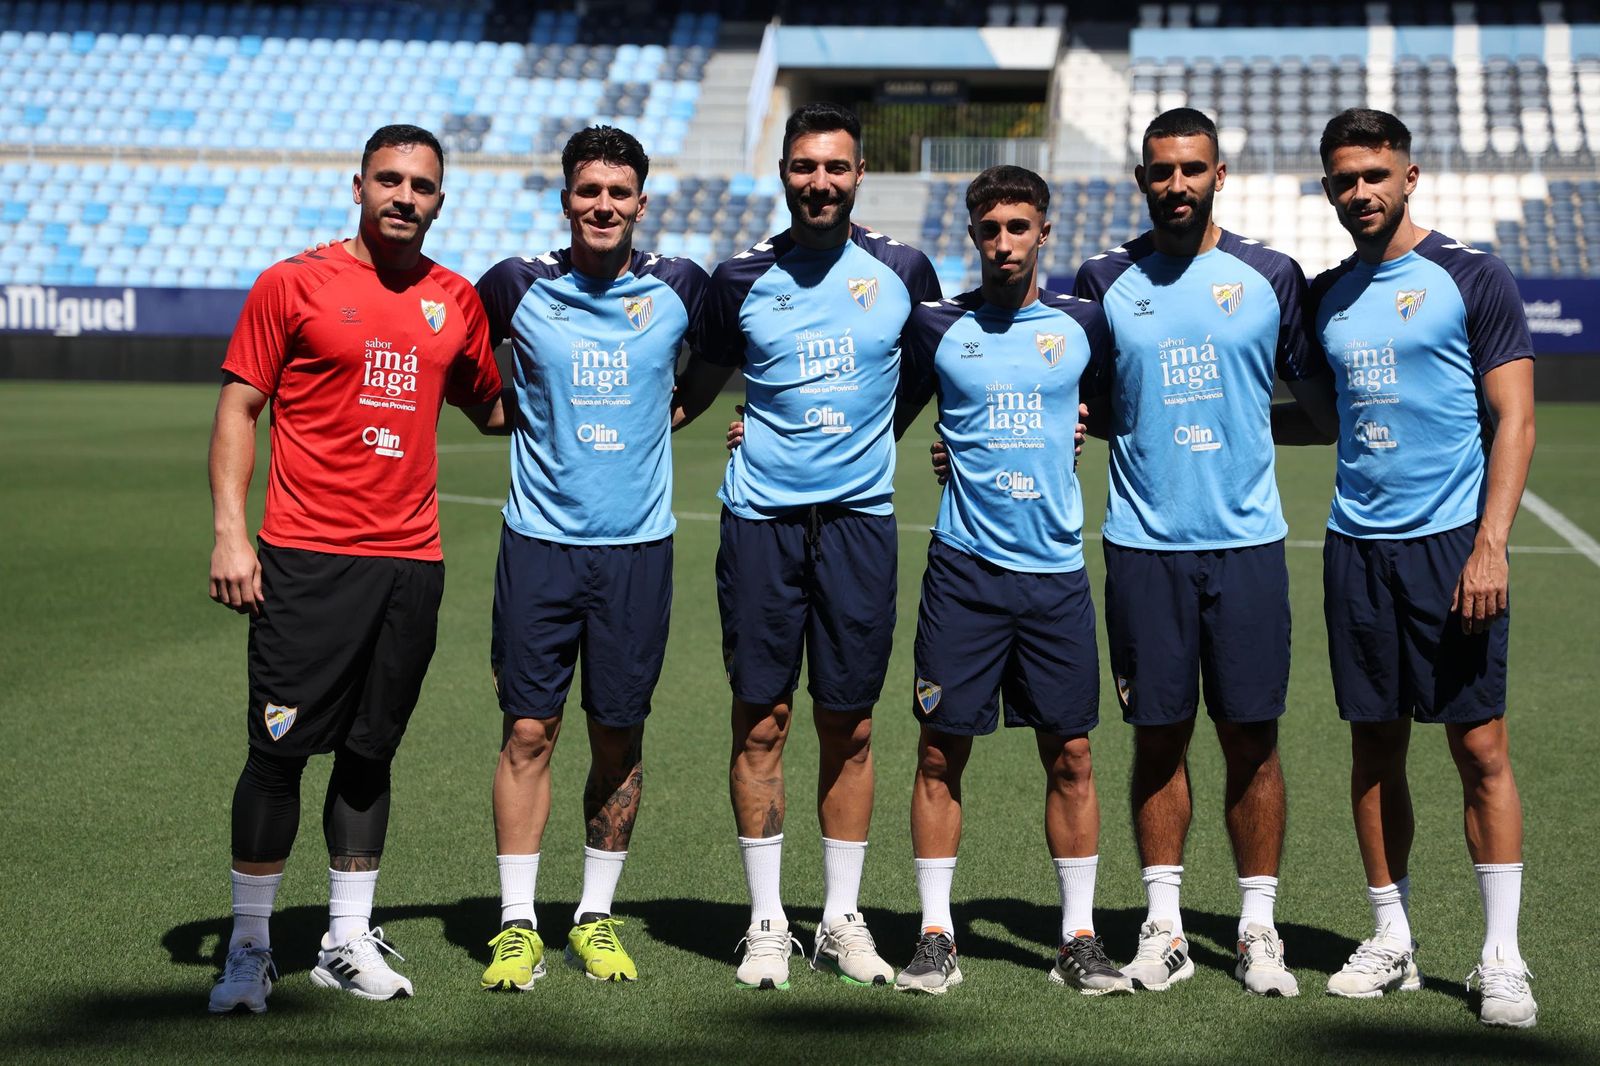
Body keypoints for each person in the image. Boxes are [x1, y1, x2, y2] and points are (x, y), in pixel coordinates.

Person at [206, 124, 507, 1012]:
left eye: (421, 185)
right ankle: (249, 948)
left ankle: (346, 937)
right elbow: (240, 406)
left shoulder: (455, 299)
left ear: (440, 201)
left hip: (411, 564)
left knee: (372, 753)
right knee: (277, 755)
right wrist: (231, 534)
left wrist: (621, 393)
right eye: (388, 179)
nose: (404, 196)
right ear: (358, 186)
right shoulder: (292, 283)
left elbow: (494, 410)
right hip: (307, 559)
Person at [674, 102, 941, 989]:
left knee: (850, 723)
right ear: (783, 173)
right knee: (762, 720)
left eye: (834, 167)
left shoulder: (903, 269)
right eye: (802, 167)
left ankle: (840, 919)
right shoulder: (737, 279)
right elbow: (695, 388)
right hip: (762, 525)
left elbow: (934, 371)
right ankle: (765, 922)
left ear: (859, 175)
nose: (818, 183)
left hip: (859, 524)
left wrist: (880, 435)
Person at [1071, 108, 1326, 996]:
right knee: (1158, 734)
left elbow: (1322, 412)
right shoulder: (1104, 279)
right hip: (1144, 546)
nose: (1175, 184)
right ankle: (1165, 926)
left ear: (1220, 175)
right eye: (1160, 171)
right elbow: (1081, 402)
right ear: (1141, 179)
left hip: (1248, 544)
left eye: (1191, 169)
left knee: (1252, 737)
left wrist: (1247, 425)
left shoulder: (1271, 275)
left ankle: (1257, 930)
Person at [1302, 109, 1537, 1026]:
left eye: (1375, 175)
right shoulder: (1325, 295)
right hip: (1357, 548)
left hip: (1453, 545)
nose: (1360, 192)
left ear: (1409, 176)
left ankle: (1502, 957)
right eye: (1344, 179)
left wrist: (1490, 544)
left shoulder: (1472, 276)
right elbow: (1319, 415)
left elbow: (1515, 419)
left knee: (1480, 748)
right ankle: (1392, 938)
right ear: (1328, 189)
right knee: (1374, 746)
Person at [471, 126, 711, 989]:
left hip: (636, 551)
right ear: (565, 198)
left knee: (618, 735)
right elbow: (463, 366)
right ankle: (516, 923)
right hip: (539, 544)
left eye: (618, 192)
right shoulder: (515, 284)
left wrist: (684, 409)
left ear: (642, 202)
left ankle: (594, 917)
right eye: (588, 191)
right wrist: (502, 413)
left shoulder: (681, 286)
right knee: (528, 731)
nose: (602, 206)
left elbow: (726, 355)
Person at [889, 166, 1131, 997]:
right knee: (938, 752)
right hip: (963, 572)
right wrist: (759, 426)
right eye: (989, 229)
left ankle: (1079, 939)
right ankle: (934, 936)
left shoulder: (1083, 322)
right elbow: (878, 413)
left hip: (1055, 574)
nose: (1003, 243)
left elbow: (1118, 408)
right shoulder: (936, 325)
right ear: (973, 235)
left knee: (1072, 754)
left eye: (1018, 227)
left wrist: (1080, 425)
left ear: (1043, 232)